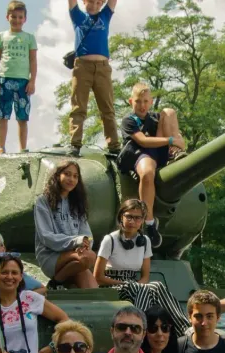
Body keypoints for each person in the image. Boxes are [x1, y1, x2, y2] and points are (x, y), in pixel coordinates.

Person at [95, 199, 189, 332]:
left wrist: (137, 286)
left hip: (134, 286)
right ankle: (142, 328)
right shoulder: (110, 240)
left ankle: (182, 330)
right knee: (150, 288)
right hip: (111, 286)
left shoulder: (145, 242)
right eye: (129, 216)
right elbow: (98, 277)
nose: (133, 221)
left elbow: (145, 276)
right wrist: (125, 283)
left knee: (153, 287)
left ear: (143, 220)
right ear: (121, 217)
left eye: (138, 218)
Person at [115, 82, 187, 248]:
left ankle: (175, 152)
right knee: (147, 173)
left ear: (151, 101)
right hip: (140, 153)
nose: (142, 105)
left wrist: (176, 140)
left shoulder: (154, 118)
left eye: (146, 101)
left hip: (159, 152)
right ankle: (148, 223)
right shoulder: (129, 120)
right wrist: (171, 140)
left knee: (168, 111)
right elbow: (143, 140)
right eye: (138, 101)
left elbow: (170, 130)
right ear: (130, 101)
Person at [66, 0, 120, 158]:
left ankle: (114, 145)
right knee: (78, 106)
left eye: (98, 2)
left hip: (103, 68)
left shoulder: (105, 15)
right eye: (91, 1)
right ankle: (75, 144)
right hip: (82, 67)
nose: (94, 5)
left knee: (107, 108)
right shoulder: (78, 16)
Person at [34, 160, 99, 289]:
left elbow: (87, 235)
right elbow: (46, 236)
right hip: (51, 256)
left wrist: (85, 244)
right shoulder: (43, 201)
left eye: (75, 176)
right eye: (67, 174)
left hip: (77, 256)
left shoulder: (77, 203)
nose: (71, 179)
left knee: (94, 292)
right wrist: (76, 241)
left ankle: (56, 282)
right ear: (57, 175)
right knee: (88, 257)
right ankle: (57, 280)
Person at [0, 1, 38, 154]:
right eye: (14, 17)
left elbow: (33, 60)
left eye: (20, 17)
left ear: (25, 19)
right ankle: (1, 147)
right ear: (7, 17)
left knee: (22, 117)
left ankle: (23, 148)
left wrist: (32, 80)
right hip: (4, 79)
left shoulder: (29, 38)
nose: (17, 20)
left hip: (23, 81)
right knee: (2, 115)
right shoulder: (1, 36)